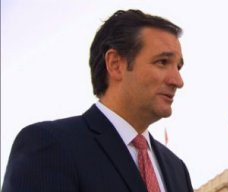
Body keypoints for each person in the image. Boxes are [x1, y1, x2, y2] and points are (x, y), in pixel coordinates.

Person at [2, 9, 193, 192]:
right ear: (115, 64)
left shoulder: (177, 170)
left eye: (178, 67)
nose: (178, 81)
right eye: (162, 62)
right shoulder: (49, 146)